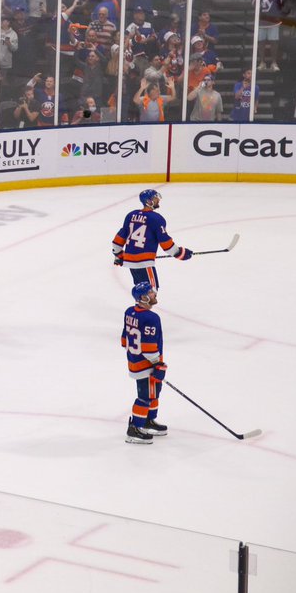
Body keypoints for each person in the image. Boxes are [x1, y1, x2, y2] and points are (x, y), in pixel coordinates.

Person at [111, 189, 192, 289]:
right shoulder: (156, 219)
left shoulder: (131, 215)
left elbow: (119, 239)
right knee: (151, 292)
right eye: (155, 198)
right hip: (144, 262)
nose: (158, 200)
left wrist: (119, 255)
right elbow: (165, 242)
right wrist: (180, 253)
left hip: (130, 262)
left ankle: (138, 304)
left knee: (141, 292)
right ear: (148, 201)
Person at [122, 281, 169, 444]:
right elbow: (149, 346)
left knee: (154, 392)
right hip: (147, 365)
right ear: (143, 298)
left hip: (136, 361)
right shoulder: (151, 317)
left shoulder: (129, 311)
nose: (154, 293)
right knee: (145, 397)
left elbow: (124, 339)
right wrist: (158, 364)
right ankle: (135, 428)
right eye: (150, 292)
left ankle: (148, 421)